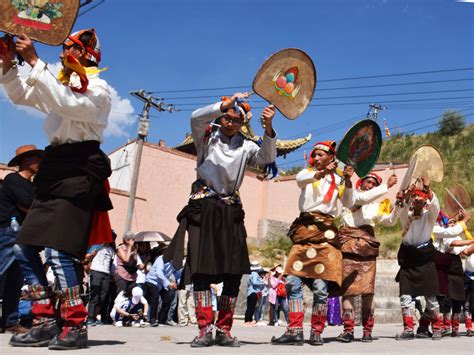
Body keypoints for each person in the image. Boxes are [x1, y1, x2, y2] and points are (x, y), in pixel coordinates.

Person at [0, 29, 113, 350]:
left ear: (89, 53)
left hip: (80, 168)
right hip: (55, 168)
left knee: (58, 251)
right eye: (63, 47)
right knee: (23, 248)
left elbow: (68, 104)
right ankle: (45, 319)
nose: (64, 52)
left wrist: (34, 60)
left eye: (70, 48)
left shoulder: (100, 88)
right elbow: (24, 96)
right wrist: (9, 65)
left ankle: (75, 324)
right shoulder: (59, 82)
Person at [163, 92, 277, 347]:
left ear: (243, 124)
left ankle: (223, 329)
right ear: (221, 116)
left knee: (234, 272)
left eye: (236, 120)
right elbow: (195, 117)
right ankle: (204, 329)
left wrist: (268, 128)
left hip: (231, 209)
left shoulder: (247, 145)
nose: (230, 123)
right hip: (203, 207)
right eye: (227, 117)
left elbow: (267, 158)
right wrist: (224, 103)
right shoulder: (206, 137)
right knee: (201, 271)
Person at [271, 141, 355, 346]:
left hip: (325, 235)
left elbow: (350, 203)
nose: (316, 158)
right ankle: (295, 329)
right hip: (304, 232)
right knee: (291, 282)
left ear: (331, 158)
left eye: (320, 155)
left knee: (320, 287)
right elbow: (302, 180)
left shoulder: (339, 180)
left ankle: (317, 331)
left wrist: (349, 181)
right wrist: (322, 173)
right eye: (314, 155)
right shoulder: (306, 174)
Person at [336, 172, 399, 342]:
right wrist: (386, 186)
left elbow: (390, 221)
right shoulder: (351, 195)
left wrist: (401, 205)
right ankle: (348, 330)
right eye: (368, 182)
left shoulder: (377, 206)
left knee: (368, 290)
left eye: (373, 184)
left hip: (367, 248)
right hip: (348, 245)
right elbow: (360, 199)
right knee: (347, 290)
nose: (370, 185)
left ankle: (367, 330)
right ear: (361, 183)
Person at [393, 180, 443, 340]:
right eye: (414, 198)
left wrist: (427, 189)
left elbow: (436, 206)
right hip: (408, 260)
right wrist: (402, 196)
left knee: (431, 296)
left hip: (425, 260)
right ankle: (408, 329)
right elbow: (399, 209)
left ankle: (437, 328)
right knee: (405, 297)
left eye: (420, 199)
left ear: (425, 202)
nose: (417, 200)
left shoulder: (430, 216)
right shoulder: (405, 215)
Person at [0, 145, 43, 334]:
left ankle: (9, 322)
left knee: (15, 281)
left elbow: (35, 207)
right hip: (8, 232)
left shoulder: (33, 185)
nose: (40, 162)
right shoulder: (12, 179)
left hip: (22, 234)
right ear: (25, 160)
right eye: (36, 158)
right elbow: (28, 205)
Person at [433, 210, 474, 337]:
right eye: (449, 222)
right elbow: (452, 243)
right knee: (445, 299)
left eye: (453, 222)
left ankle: (455, 328)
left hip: (457, 268)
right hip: (446, 267)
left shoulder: (457, 236)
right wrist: (470, 241)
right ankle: (444, 326)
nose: (452, 224)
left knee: (458, 299)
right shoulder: (443, 235)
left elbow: (466, 251)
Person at [144, 254, 182, 327]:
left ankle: (162, 319)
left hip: (161, 284)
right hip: (151, 281)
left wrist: (179, 284)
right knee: (155, 297)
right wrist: (169, 283)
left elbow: (177, 274)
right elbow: (159, 273)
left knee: (168, 297)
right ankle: (152, 320)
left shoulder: (175, 263)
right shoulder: (161, 258)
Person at [86, 240, 116, 326]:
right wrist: (93, 253)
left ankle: (95, 317)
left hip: (106, 274)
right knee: (95, 296)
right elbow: (87, 256)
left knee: (102, 297)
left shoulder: (111, 250)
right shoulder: (96, 246)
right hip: (96, 272)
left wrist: (112, 275)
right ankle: (90, 318)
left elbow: (112, 264)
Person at [244, 261, 266, 326]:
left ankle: (249, 320)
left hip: (251, 292)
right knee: (251, 307)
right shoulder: (254, 274)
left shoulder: (251, 273)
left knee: (251, 307)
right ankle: (247, 321)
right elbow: (255, 282)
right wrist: (262, 282)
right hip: (253, 292)